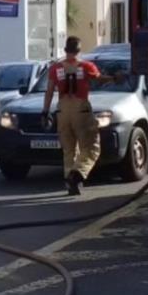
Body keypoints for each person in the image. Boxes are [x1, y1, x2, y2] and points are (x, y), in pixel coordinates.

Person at [42, 37, 101, 196]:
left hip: (62, 109)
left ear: (65, 50)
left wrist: (45, 112)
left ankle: (70, 183)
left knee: (68, 150)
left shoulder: (55, 69)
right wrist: (115, 78)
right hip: (80, 108)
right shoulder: (86, 66)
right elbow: (99, 79)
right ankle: (76, 175)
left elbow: (48, 92)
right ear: (79, 50)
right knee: (91, 147)